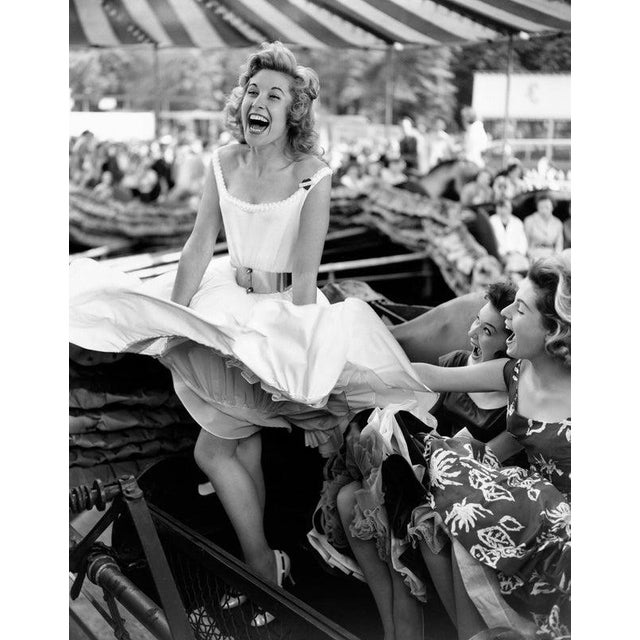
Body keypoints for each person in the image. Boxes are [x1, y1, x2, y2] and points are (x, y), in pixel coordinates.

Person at [69, 41, 436, 626]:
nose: (259, 101)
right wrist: (174, 319)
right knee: (239, 446)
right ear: (241, 103)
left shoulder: (313, 175)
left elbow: (307, 280)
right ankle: (267, 569)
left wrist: (293, 366)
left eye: (276, 94)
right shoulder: (221, 161)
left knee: (214, 449)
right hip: (227, 297)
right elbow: (197, 245)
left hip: (277, 312)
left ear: (295, 113)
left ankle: (262, 567)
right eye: (253, 91)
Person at [308, 281, 518, 640]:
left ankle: (409, 630)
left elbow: (492, 460)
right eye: (474, 322)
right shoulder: (455, 364)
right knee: (352, 499)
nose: (472, 333)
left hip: (465, 488)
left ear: (510, 342)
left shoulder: (513, 390)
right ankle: (391, 624)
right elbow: (422, 401)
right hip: (423, 473)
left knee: (417, 522)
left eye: (486, 330)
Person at [390, 251, 571, 639]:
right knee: (457, 493)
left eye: (519, 311)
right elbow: (431, 376)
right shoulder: (516, 372)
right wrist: (357, 365)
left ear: (553, 329)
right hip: (526, 509)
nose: (506, 318)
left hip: (565, 528)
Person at [523, 195, 563, 262]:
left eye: (547, 207)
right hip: (534, 254)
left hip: (552, 255)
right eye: (541, 207)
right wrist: (530, 254)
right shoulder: (529, 220)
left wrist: (556, 256)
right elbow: (525, 241)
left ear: (552, 207)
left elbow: (559, 245)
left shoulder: (558, 223)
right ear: (537, 207)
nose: (544, 210)